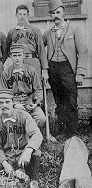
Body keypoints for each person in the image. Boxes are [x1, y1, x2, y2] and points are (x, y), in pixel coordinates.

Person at [0, 89, 43, 188]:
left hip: (23, 156)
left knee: (35, 152)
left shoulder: (23, 116)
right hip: (7, 157)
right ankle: (16, 174)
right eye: (1, 102)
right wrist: (5, 164)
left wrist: (28, 150)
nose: (4, 105)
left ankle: (34, 182)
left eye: (7, 102)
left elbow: (37, 135)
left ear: (13, 102)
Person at [43, 0, 88, 136]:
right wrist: (45, 69)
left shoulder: (74, 29)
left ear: (64, 13)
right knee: (59, 101)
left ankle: (73, 132)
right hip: (53, 69)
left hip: (68, 69)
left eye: (58, 12)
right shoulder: (47, 33)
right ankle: (62, 130)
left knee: (71, 100)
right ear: (50, 15)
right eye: (53, 13)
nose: (56, 15)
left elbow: (83, 51)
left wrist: (80, 72)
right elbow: (40, 50)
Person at [0, 44, 46, 128]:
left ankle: (32, 134)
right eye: (14, 55)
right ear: (10, 56)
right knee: (1, 116)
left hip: (28, 100)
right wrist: (14, 105)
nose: (17, 58)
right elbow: (3, 94)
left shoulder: (31, 70)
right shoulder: (6, 73)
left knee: (41, 118)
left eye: (19, 55)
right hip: (13, 102)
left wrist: (35, 103)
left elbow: (38, 90)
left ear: (23, 56)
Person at [5, 4, 48, 80]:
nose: (22, 16)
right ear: (16, 15)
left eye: (24, 14)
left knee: (35, 86)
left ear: (28, 15)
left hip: (32, 61)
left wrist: (45, 70)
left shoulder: (35, 30)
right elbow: (7, 50)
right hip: (18, 63)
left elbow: (41, 50)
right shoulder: (12, 32)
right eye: (20, 14)